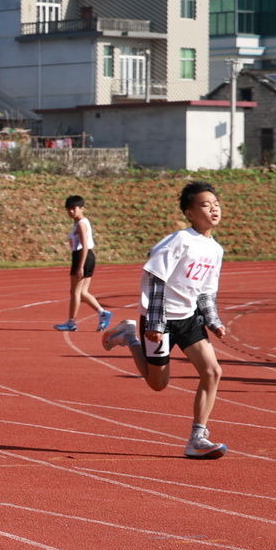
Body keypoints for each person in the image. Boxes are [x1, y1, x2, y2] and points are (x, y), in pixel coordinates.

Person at [102, 181, 230, 458]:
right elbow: (156, 280)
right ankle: (129, 337)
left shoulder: (216, 250)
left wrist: (214, 321)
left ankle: (197, 438)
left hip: (188, 319)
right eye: (205, 205)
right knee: (158, 383)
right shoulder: (179, 241)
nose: (214, 209)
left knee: (213, 372)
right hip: (159, 319)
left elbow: (206, 291)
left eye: (216, 204)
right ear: (190, 214)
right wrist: (155, 323)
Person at [54, 195, 110, 333]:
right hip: (85, 256)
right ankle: (103, 313)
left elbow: (84, 245)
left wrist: (80, 266)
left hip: (82, 256)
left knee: (75, 292)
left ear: (82, 208)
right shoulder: (80, 222)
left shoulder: (81, 224)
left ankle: (71, 322)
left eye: (74, 209)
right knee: (83, 292)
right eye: (69, 209)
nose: (71, 212)